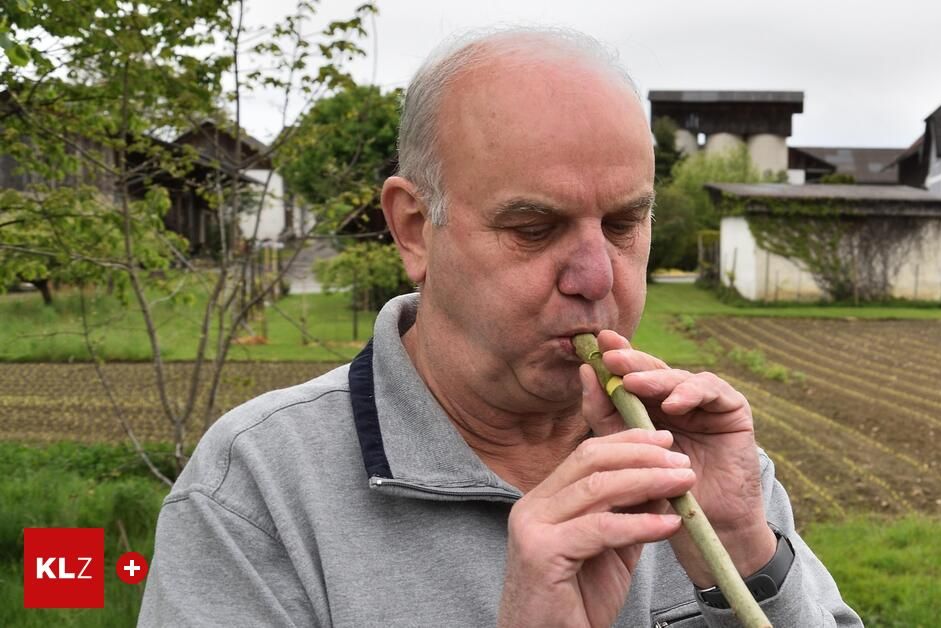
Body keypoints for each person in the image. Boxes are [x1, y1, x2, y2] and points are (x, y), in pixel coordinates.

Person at [139, 27, 861, 628]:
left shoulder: (691, 458)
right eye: (534, 227)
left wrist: (745, 554)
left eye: (623, 223)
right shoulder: (255, 492)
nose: (597, 277)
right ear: (416, 229)